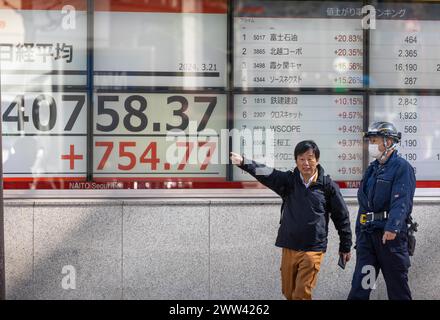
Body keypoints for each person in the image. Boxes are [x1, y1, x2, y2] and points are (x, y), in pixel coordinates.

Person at [230, 140, 352, 300]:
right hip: (290, 246)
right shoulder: (289, 181)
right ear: (296, 161)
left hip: (312, 249)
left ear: (317, 160)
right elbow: (268, 173)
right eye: (301, 159)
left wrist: (345, 245)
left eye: (310, 158)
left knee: (301, 294)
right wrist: (245, 163)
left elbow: (341, 216)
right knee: (289, 293)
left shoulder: (327, 186)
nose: (306, 163)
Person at [348, 121, 416, 300]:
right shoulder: (372, 170)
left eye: (374, 140)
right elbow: (364, 206)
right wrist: (360, 235)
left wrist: (393, 227)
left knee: (397, 290)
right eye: (370, 140)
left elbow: (401, 201)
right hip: (368, 239)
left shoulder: (401, 168)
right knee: (361, 288)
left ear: (388, 141)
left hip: (389, 241)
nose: (371, 145)